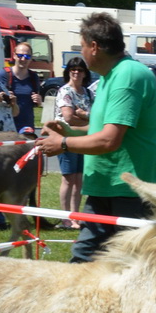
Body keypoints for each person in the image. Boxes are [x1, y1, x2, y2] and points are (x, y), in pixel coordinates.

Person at [34, 12, 156, 263]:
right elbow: (104, 130)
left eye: (82, 46)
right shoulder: (109, 77)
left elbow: (109, 140)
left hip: (130, 192)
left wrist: (63, 144)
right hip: (105, 189)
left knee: (129, 268)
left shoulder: (128, 76)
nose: (81, 52)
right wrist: (70, 132)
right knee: (84, 262)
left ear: (94, 47)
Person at [53, 56, 93, 227]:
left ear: (85, 73)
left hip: (83, 139)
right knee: (68, 178)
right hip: (66, 138)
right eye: (73, 69)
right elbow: (68, 118)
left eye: (80, 69)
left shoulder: (89, 93)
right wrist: (87, 120)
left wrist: (84, 116)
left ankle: (75, 216)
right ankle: (65, 218)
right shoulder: (65, 91)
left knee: (79, 178)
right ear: (68, 72)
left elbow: (97, 116)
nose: (76, 72)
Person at [1, 44, 42, 133]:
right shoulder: (4, 75)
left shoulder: (33, 77)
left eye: (27, 56)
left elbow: (36, 102)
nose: (23, 59)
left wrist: (38, 101)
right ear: (14, 56)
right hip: (7, 127)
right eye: (20, 56)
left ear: (31, 58)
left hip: (27, 127)